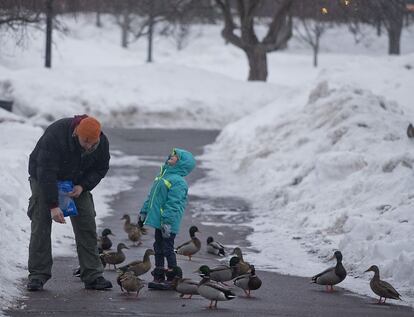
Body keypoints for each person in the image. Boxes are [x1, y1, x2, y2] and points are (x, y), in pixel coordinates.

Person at [26, 115, 112, 291]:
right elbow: (46, 170)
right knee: (41, 224)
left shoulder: (101, 143)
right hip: (44, 179)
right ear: (76, 133)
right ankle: (37, 275)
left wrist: (83, 186)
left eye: (92, 143)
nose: (89, 146)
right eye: (85, 141)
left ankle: (93, 275)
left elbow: (101, 168)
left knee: (87, 223)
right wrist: (53, 205)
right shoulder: (56, 134)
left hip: (76, 182)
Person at [138, 148, 196, 289]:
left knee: (167, 249)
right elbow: (151, 197)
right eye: (172, 154)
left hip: (168, 223)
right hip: (160, 222)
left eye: (176, 156)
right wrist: (143, 212)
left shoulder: (178, 182)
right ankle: (159, 275)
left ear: (182, 163)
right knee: (158, 247)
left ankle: (172, 278)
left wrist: (167, 223)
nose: (172, 155)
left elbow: (173, 204)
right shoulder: (162, 177)